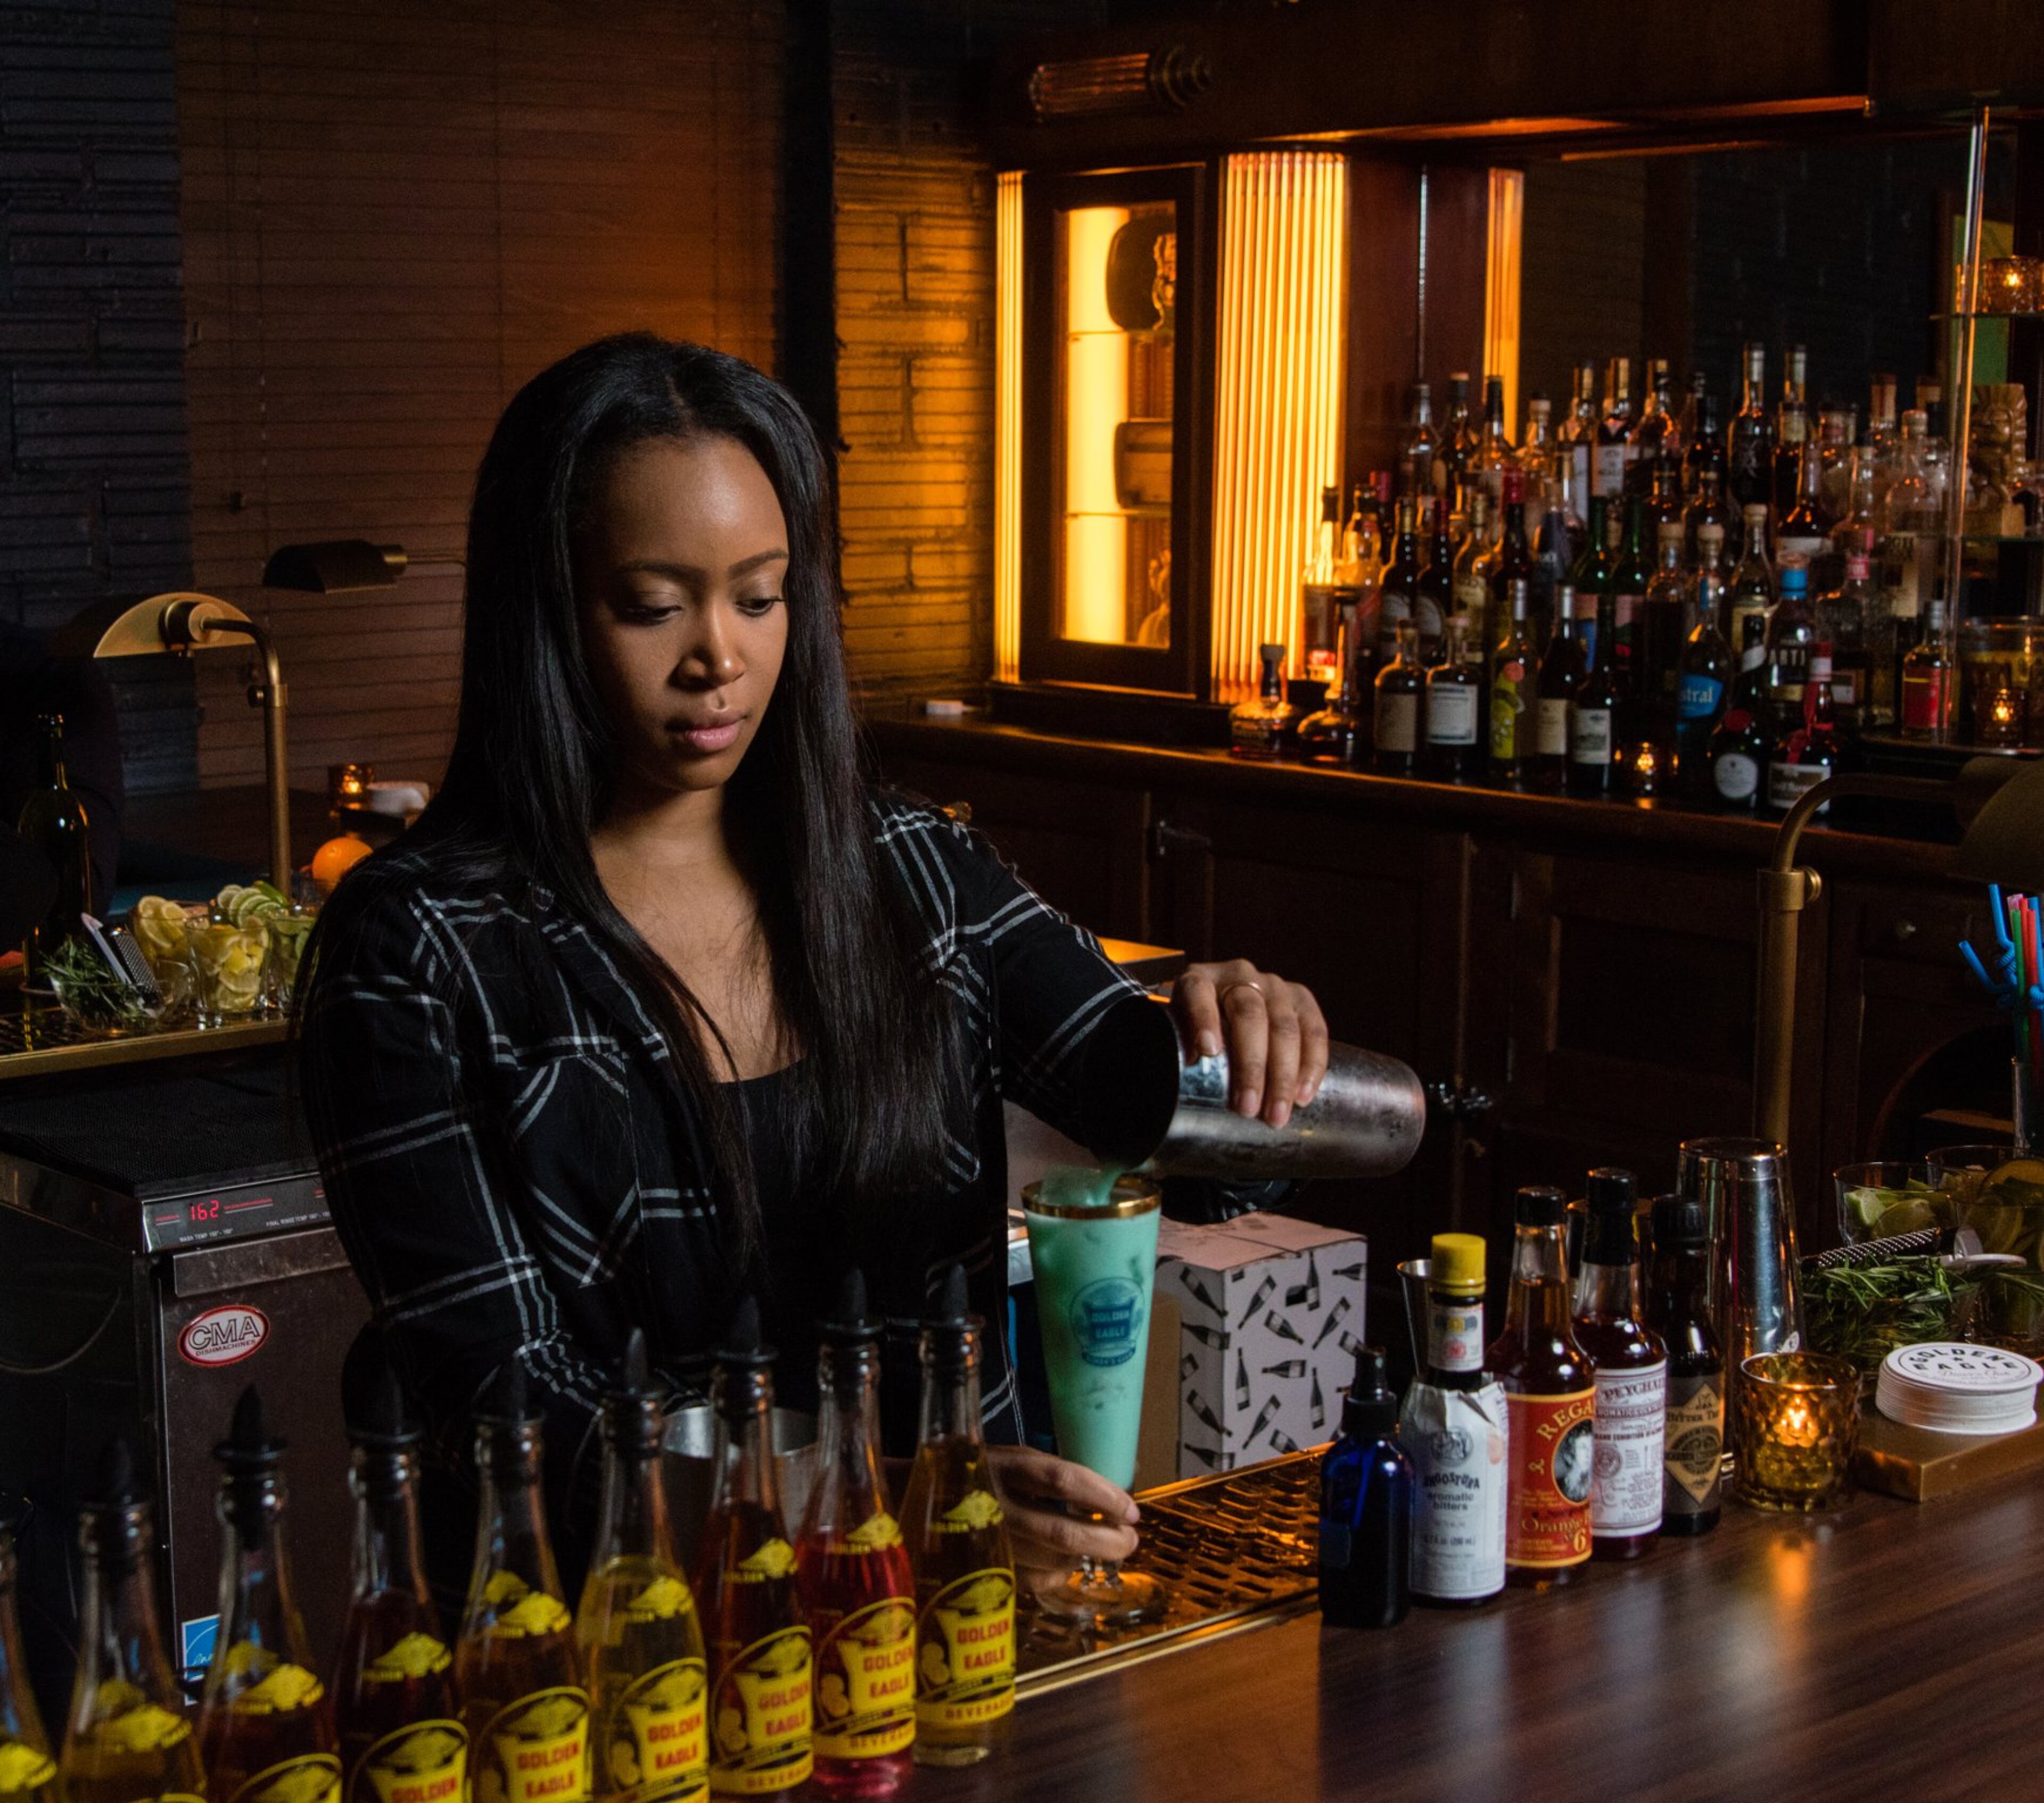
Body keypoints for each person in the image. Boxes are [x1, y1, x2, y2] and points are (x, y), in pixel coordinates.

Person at [298, 335, 1328, 1600]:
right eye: (653, 604)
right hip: (622, 1664)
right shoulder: (419, 949)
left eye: (761, 593)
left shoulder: (907, 872)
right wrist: (885, 1507)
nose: (717, 656)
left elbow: (1191, 1130)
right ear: (546, 607)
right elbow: (510, 1410)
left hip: (941, 1644)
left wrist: (1247, 1039)